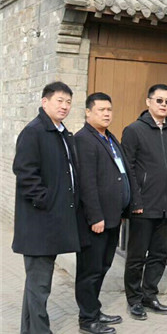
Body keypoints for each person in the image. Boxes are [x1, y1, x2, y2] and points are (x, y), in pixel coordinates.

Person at [13, 82, 81, 334]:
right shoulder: (34, 132)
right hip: (38, 223)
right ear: (45, 102)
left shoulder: (61, 132)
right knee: (39, 285)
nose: (64, 106)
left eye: (68, 102)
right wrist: (46, 202)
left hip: (51, 222)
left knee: (37, 284)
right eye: (59, 101)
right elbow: (25, 174)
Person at [75, 93, 131, 334]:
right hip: (95, 221)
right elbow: (86, 183)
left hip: (112, 217)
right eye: (101, 110)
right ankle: (87, 320)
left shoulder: (108, 137)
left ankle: (94, 310)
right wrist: (95, 217)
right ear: (88, 112)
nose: (107, 113)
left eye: (109, 109)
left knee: (103, 267)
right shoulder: (84, 139)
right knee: (89, 271)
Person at [122, 84, 167, 320]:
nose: (163, 105)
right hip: (143, 205)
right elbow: (128, 168)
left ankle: (149, 295)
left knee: (158, 254)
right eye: (159, 100)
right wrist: (135, 200)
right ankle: (134, 299)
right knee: (137, 256)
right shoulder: (134, 130)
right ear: (148, 102)